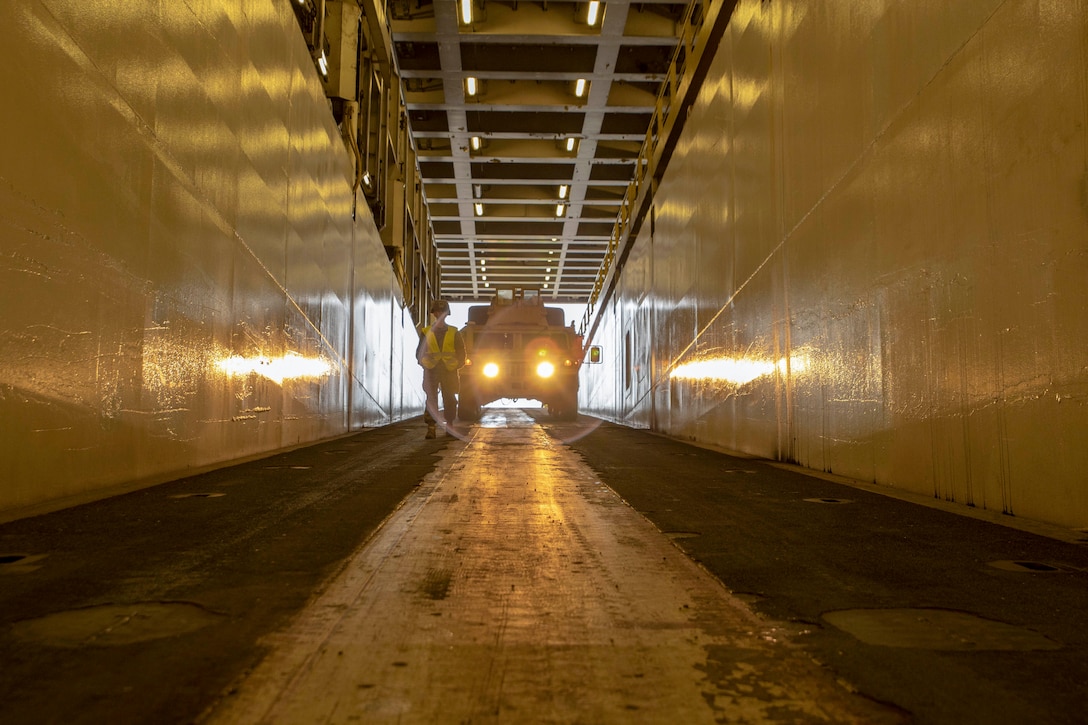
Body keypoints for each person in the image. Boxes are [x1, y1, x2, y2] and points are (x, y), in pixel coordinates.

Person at [416, 299, 466, 438]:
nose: (440, 314)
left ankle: (449, 425)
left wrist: (457, 364)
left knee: (449, 399)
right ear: (434, 313)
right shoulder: (426, 332)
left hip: (449, 370)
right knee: (431, 399)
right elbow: (420, 352)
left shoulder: (454, 332)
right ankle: (431, 428)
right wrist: (425, 364)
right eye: (437, 311)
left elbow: (461, 352)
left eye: (442, 311)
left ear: (446, 314)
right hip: (431, 370)